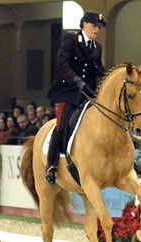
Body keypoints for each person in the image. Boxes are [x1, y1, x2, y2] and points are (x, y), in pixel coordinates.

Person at [45, 11, 106, 184]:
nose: (97, 29)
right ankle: (51, 165)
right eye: (94, 26)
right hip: (70, 90)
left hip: (88, 92)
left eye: (99, 27)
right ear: (85, 24)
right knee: (62, 125)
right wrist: (76, 79)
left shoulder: (97, 47)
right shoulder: (71, 39)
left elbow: (97, 70)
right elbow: (61, 63)